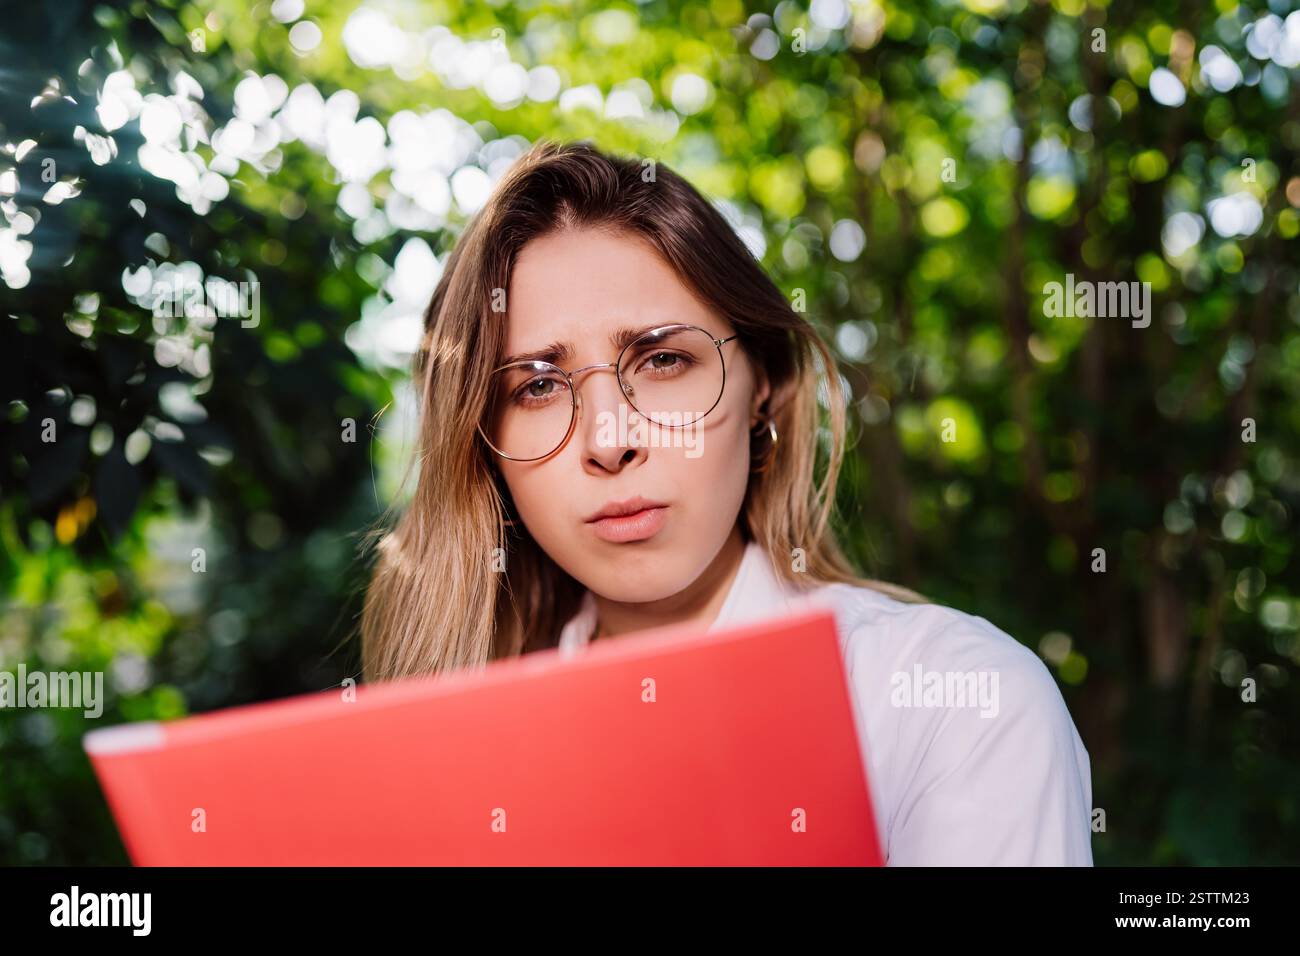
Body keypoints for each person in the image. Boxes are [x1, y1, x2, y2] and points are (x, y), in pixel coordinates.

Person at [360, 140, 1093, 865]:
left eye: (663, 359)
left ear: (761, 387)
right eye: (538, 386)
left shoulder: (958, 704)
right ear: (484, 446)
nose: (608, 441)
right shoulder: (455, 755)